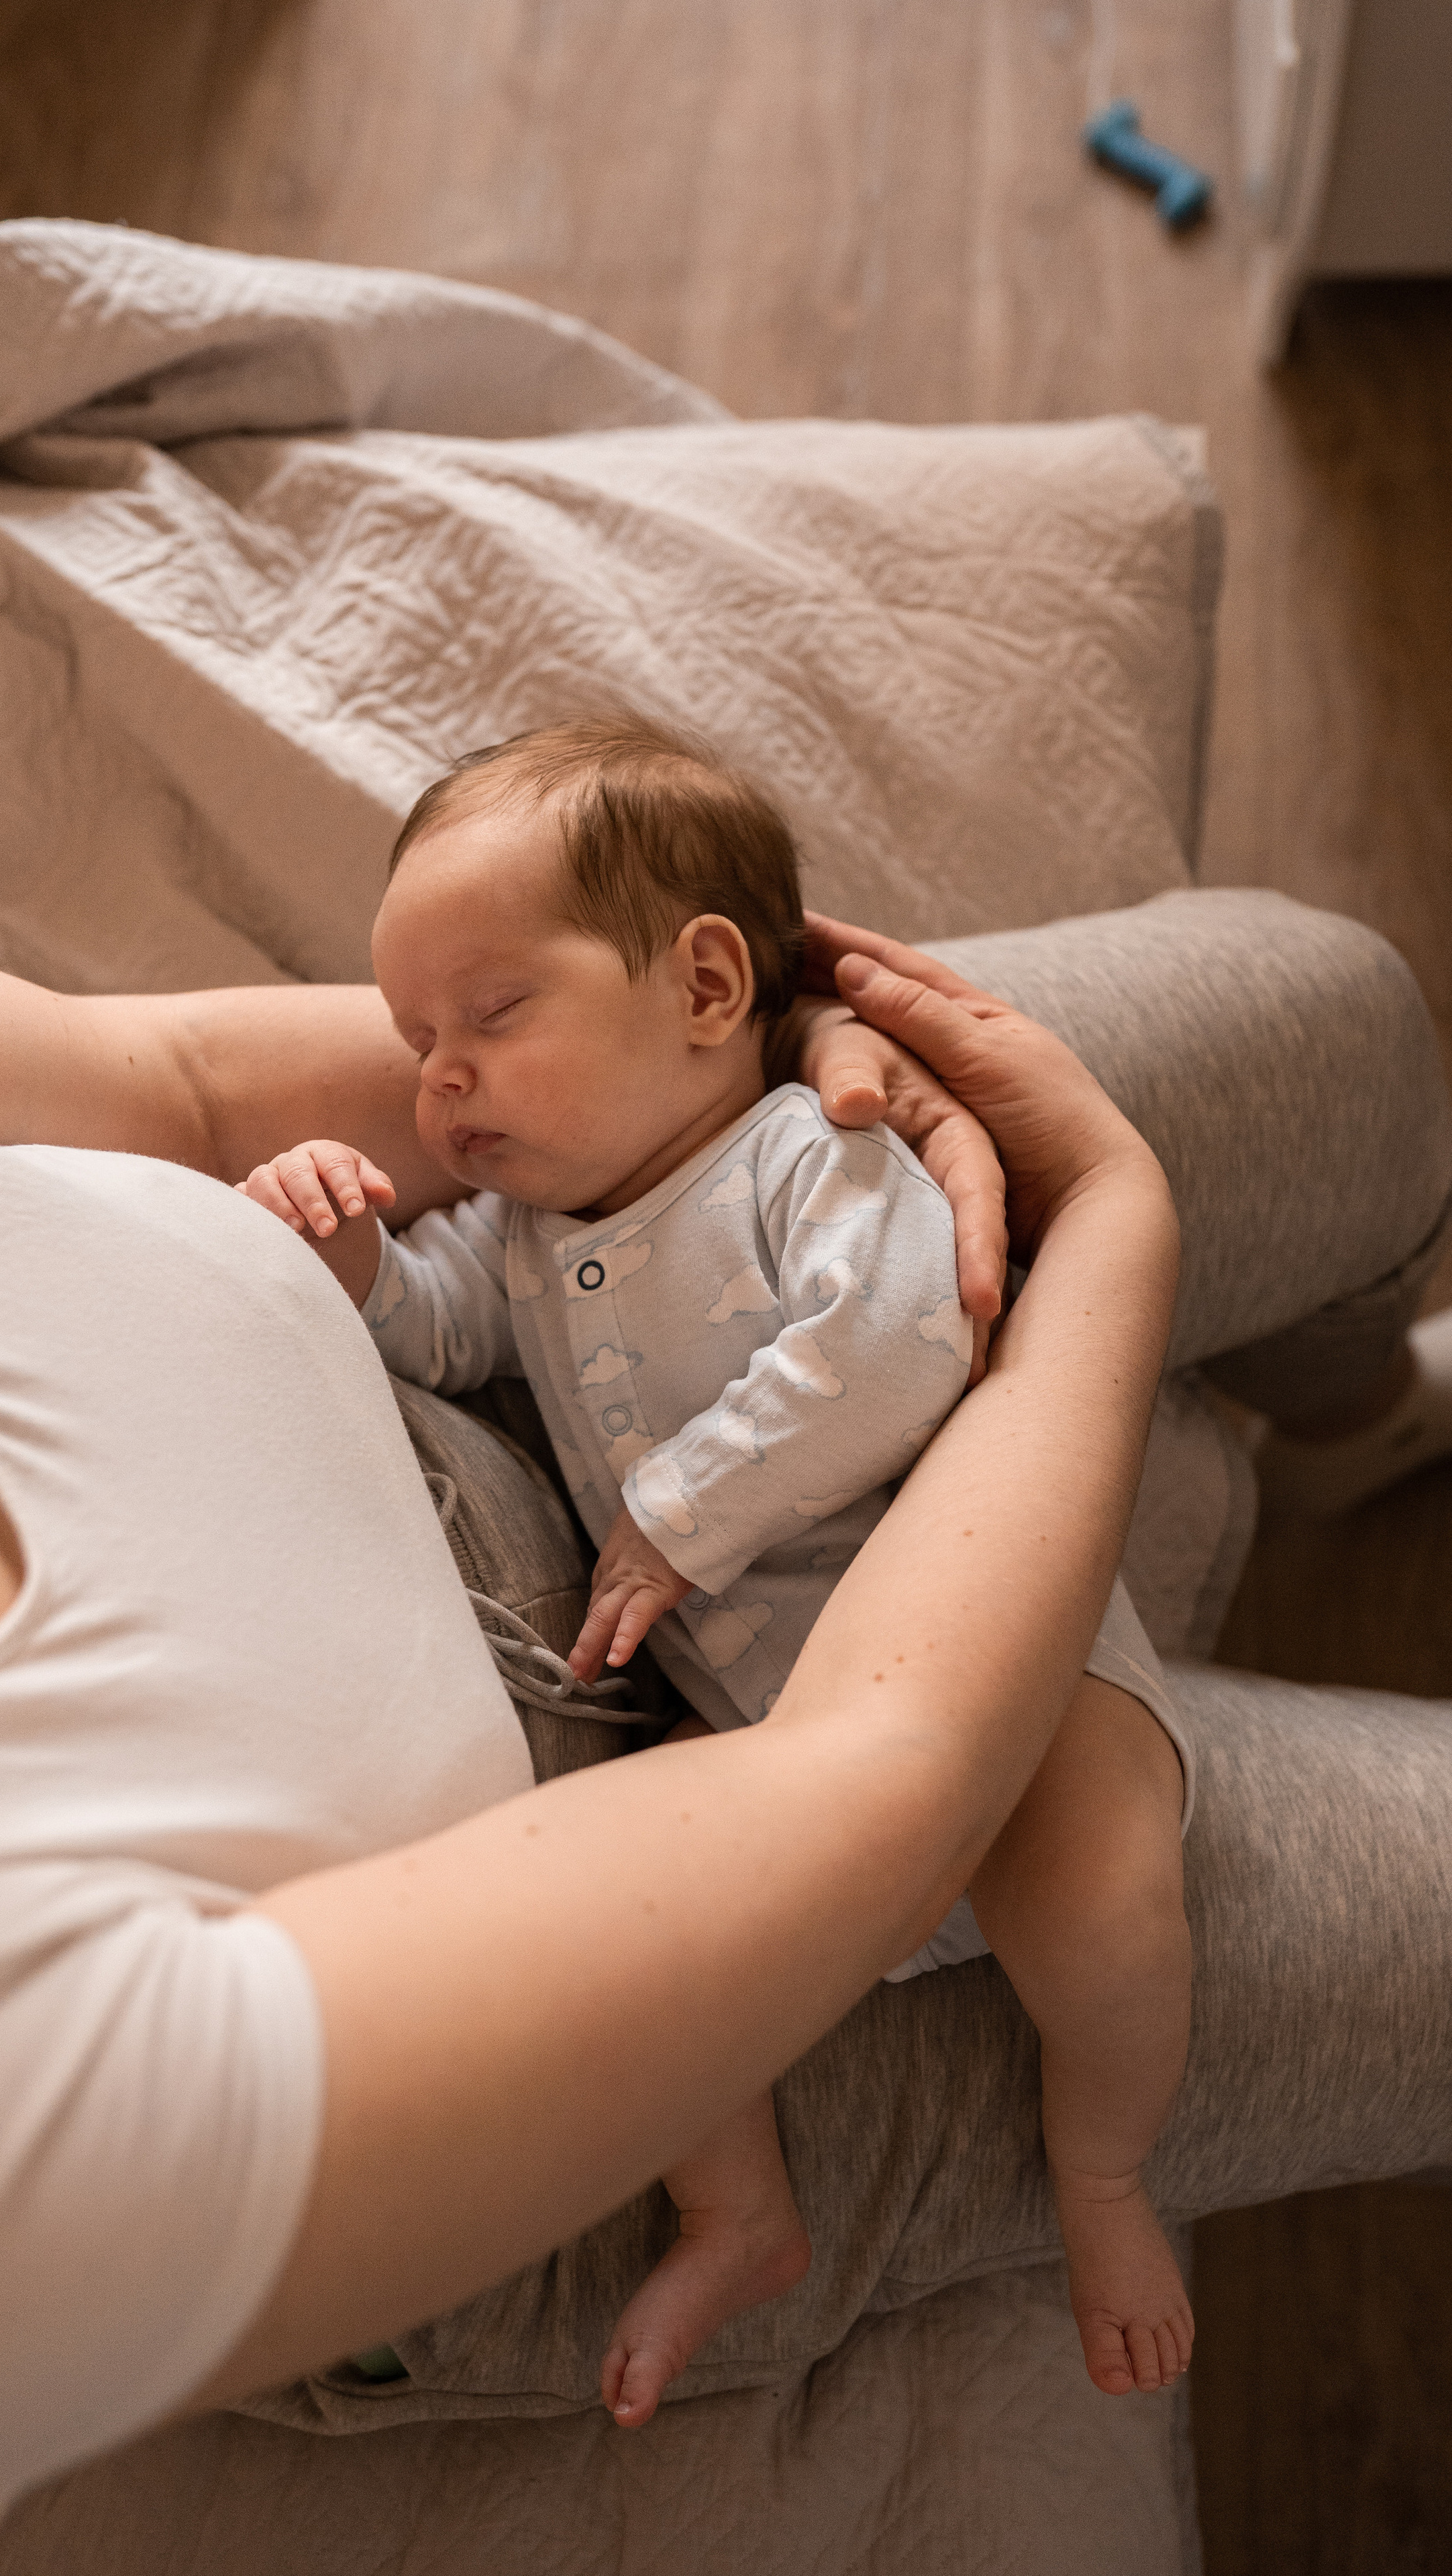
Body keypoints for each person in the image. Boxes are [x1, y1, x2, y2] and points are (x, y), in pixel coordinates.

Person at [0, 364, 1195, 2523]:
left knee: (1317, 1001)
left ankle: (1362, 1397)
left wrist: (738, 1071)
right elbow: (876, 1785)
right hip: (717, 1736)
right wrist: (1118, 1250)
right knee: (1181, 1898)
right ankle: (849, 2206)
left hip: (657, 1243)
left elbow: (200, 1083)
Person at [240, 720, 1195, 2424]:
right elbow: (444, 1337)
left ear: (700, 988)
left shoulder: (802, 1158)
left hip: (1019, 1682)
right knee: (662, 1949)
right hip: (773, 1741)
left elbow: (900, 1339)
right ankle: (738, 2213)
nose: (436, 1077)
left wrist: (676, 1508)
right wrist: (351, 1248)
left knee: (1100, 1910)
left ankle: (1107, 2172)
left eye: (489, 1016)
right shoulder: (527, 1223)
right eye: (413, 1040)